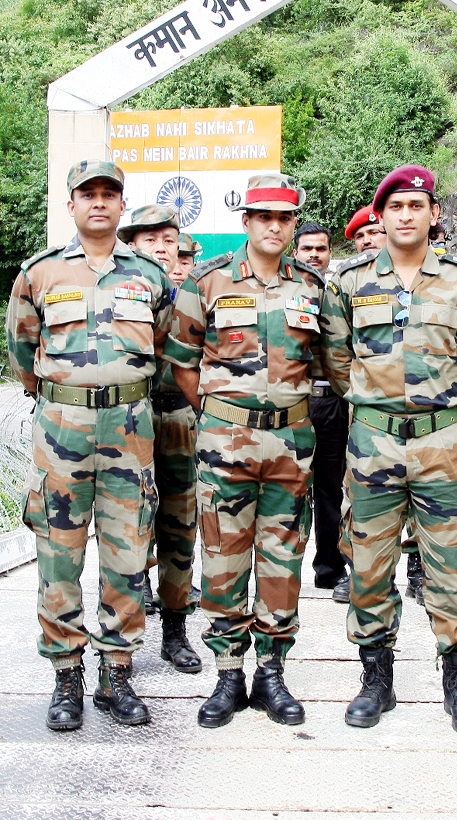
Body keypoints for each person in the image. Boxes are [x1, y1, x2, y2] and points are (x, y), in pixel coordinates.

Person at [321, 164, 457, 733]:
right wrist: (375, 402)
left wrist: (437, 405)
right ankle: (376, 678)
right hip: (371, 442)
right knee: (369, 564)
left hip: (441, 442)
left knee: (451, 563)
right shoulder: (348, 284)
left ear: (433, 215)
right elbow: (337, 362)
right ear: (381, 215)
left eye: (416, 206)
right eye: (395, 206)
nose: (405, 215)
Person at [7, 159, 173, 729]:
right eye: (88, 194)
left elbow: (169, 346)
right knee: (59, 552)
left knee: (127, 554)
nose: (99, 203)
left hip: (131, 430)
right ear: (72, 204)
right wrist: (63, 396)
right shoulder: (40, 273)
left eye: (109, 194)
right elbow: (22, 350)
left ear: (122, 205)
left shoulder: (150, 275)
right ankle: (66, 675)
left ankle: (118, 672)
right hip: (62, 430)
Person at [165, 173, 324, 729]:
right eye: (264, 217)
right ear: (247, 222)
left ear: (293, 223)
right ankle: (228, 674)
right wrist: (218, 415)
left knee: (283, 557)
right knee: (224, 555)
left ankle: (272, 674)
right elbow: (182, 360)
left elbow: (326, 364)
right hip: (224, 442)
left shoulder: (312, 286)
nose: (274, 226)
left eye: (284, 218)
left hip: (291, 444)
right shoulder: (206, 283)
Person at [118, 205, 203, 674]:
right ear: (133, 244)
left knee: (180, 525)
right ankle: (121, 639)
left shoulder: (197, 292)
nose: (161, 247)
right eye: (150, 238)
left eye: (169, 239)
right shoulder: (120, 290)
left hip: (178, 417)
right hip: (128, 420)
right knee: (126, 527)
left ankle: (176, 631)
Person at [292, 221, 348, 597]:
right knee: (290, 492)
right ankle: (280, 574)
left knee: (330, 491)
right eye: (307, 248)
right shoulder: (286, 292)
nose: (314, 255)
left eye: (321, 248)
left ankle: (329, 568)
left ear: (330, 253)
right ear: (295, 252)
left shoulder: (341, 294)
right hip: (295, 403)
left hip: (334, 402)